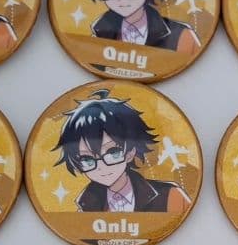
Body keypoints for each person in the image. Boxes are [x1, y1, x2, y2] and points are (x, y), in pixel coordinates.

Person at [53, 89, 190, 213]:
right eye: (87, 159)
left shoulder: (170, 196)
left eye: (112, 152)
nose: (101, 166)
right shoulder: (86, 207)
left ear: (130, 152)